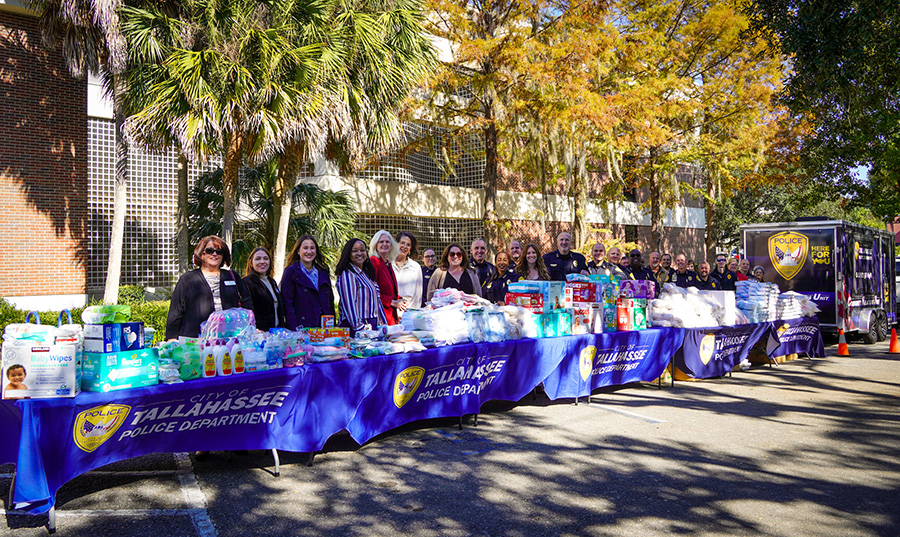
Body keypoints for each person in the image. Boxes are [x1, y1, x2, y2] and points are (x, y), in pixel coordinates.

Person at [166, 236, 253, 339]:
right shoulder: (188, 279)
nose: (214, 254)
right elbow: (175, 312)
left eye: (219, 251)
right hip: (195, 341)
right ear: (201, 253)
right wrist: (171, 338)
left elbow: (247, 304)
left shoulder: (232, 276)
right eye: (210, 250)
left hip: (229, 339)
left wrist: (250, 328)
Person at [280, 235, 335, 330]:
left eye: (312, 248)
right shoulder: (291, 272)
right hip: (302, 329)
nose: (309, 252)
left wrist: (333, 325)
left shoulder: (323, 272)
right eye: (305, 248)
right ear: (298, 251)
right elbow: (287, 304)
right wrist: (295, 329)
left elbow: (330, 301)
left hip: (325, 328)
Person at [335, 238, 388, 333]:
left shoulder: (366, 275)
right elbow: (349, 306)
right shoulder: (348, 275)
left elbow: (378, 302)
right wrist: (361, 329)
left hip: (372, 326)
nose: (359, 253)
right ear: (348, 254)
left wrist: (384, 326)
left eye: (362, 250)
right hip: (356, 330)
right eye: (355, 251)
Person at [242, 247, 286, 332]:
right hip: (259, 335)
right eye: (258, 259)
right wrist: (254, 329)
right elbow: (247, 310)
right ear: (251, 263)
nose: (262, 262)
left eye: (266, 258)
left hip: (276, 334)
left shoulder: (272, 282)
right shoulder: (246, 282)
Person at [369, 230, 404, 325]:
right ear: (375, 245)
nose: (384, 244)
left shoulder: (388, 263)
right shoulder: (374, 261)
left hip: (391, 316)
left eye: (387, 242)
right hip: (381, 317)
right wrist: (392, 302)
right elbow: (371, 291)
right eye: (381, 242)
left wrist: (400, 300)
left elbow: (390, 290)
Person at [392, 231, 423, 315]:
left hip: (408, 313)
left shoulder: (415, 267)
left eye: (408, 244)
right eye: (402, 243)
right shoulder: (388, 264)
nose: (405, 246)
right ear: (396, 244)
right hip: (389, 312)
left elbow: (418, 296)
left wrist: (410, 314)